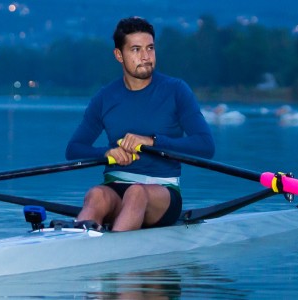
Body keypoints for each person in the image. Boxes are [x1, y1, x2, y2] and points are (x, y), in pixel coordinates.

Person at [65, 16, 214, 232]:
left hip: (162, 192)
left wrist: (152, 142)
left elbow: (205, 146)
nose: (145, 56)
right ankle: (75, 248)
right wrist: (107, 153)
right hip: (116, 186)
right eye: (136, 49)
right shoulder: (105, 97)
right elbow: (74, 150)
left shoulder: (176, 91)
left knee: (136, 193)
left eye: (150, 48)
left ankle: (112, 254)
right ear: (119, 55)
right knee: (95, 194)